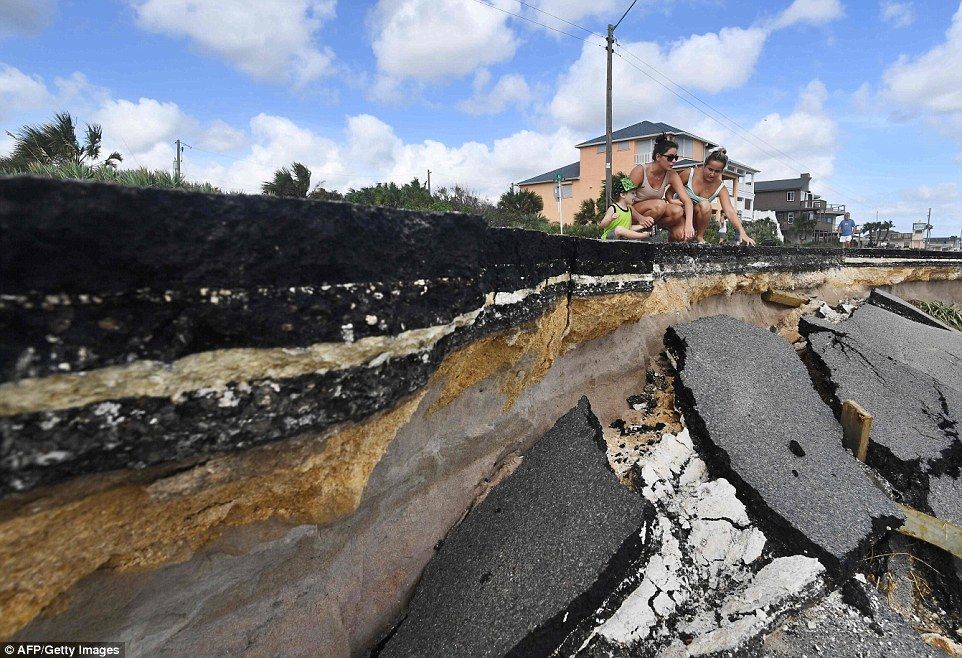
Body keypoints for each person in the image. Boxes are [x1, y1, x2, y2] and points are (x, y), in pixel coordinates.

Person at [677, 148, 756, 246]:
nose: (712, 174)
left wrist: (742, 233)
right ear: (704, 165)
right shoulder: (689, 173)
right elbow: (670, 190)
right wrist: (674, 203)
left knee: (706, 205)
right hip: (679, 215)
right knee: (679, 236)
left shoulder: (721, 188)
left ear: (721, 172)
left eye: (717, 171)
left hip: (695, 220)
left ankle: (699, 236)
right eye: (710, 169)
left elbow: (730, 211)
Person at [627, 133, 694, 241]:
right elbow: (621, 199)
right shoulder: (638, 170)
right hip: (633, 214)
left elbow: (687, 201)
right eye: (670, 157)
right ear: (658, 157)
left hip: (654, 215)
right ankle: (636, 231)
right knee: (660, 204)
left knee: (678, 211)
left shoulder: (672, 174)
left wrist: (689, 225)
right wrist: (641, 218)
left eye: (675, 157)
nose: (674, 161)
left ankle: (652, 230)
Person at [600, 176, 653, 240]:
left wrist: (642, 226)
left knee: (622, 229)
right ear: (623, 195)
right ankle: (645, 235)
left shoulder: (629, 210)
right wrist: (610, 219)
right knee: (619, 229)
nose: (635, 195)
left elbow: (628, 228)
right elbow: (602, 225)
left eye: (635, 193)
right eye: (632, 193)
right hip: (608, 238)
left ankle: (647, 234)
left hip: (621, 239)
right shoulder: (613, 208)